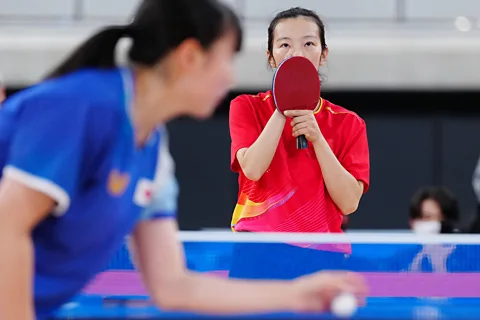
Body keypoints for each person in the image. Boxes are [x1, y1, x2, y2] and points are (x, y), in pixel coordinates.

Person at [0, 1, 367, 319]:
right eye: (226, 60)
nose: (230, 76)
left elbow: (172, 287)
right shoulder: (80, 107)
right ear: (190, 57)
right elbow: (7, 230)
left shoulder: (152, 153)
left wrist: (296, 294)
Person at [228, 7, 370, 279]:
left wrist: (317, 139)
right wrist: (283, 109)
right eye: (284, 45)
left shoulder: (349, 123)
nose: (297, 53)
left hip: (321, 254)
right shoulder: (247, 107)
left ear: (323, 53)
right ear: (271, 57)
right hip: (257, 250)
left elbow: (349, 202)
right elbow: (253, 169)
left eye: (308, 43)